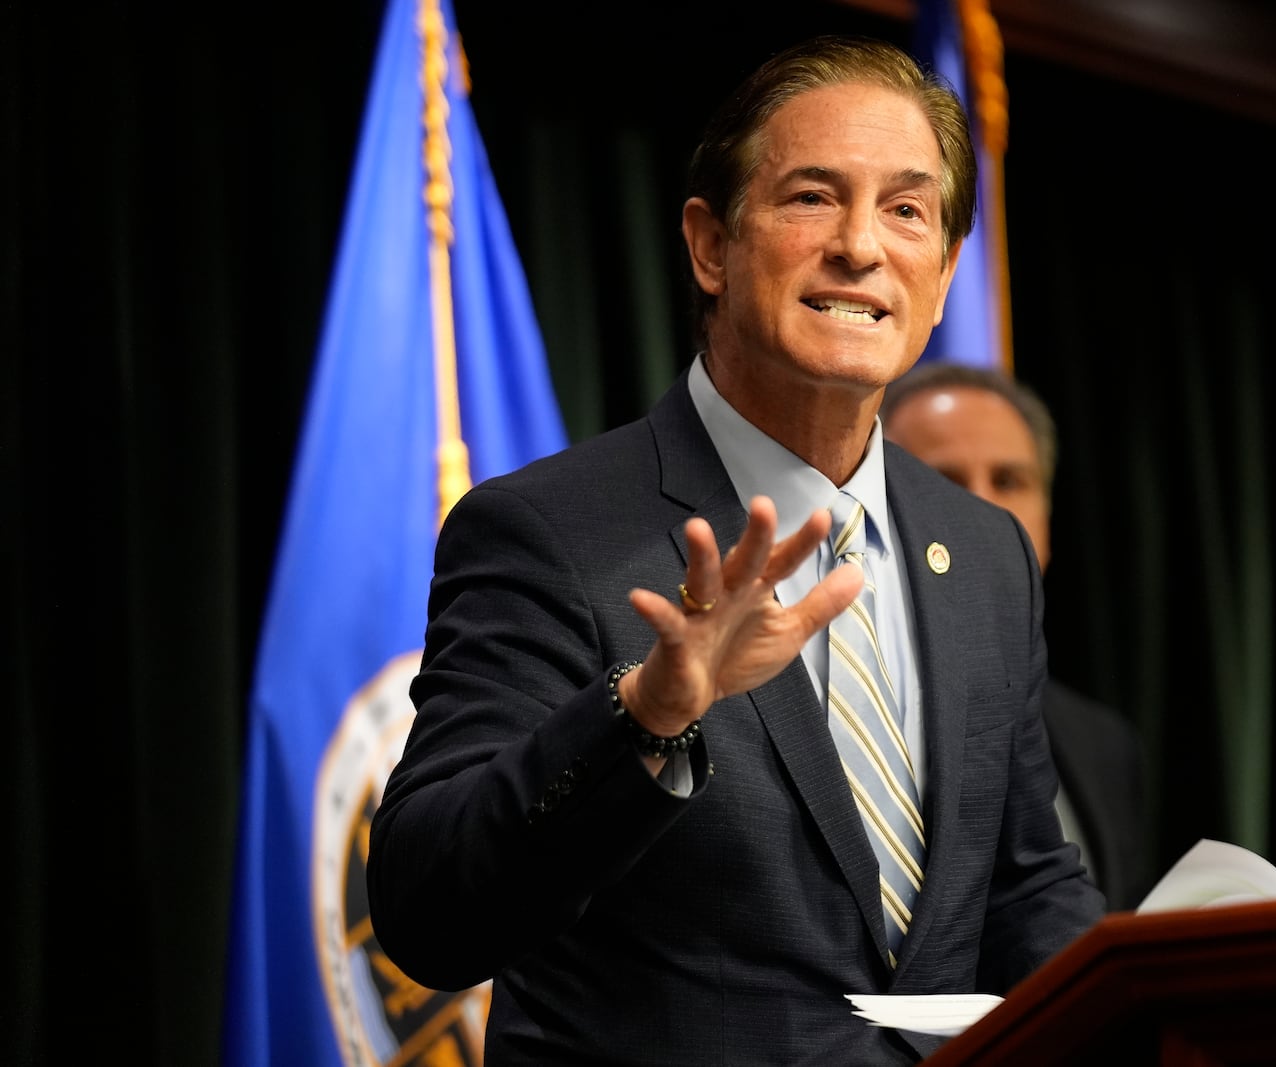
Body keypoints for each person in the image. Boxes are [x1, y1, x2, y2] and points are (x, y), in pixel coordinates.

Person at [366, 34, 1105, 1065]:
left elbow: (1024, 882)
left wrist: (1153, 997)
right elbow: (430, 911)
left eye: (906, 209)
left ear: (938, 279)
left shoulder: (982, 552)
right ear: (710, 246)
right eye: (812, 197)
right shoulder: (549, 530)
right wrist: (645, 715)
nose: (860, 245)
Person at [880, 362, 1151, 910]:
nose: (983, 511)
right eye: (942, 481)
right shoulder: (851, 709)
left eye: (1009, 481)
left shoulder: (1105, 745)